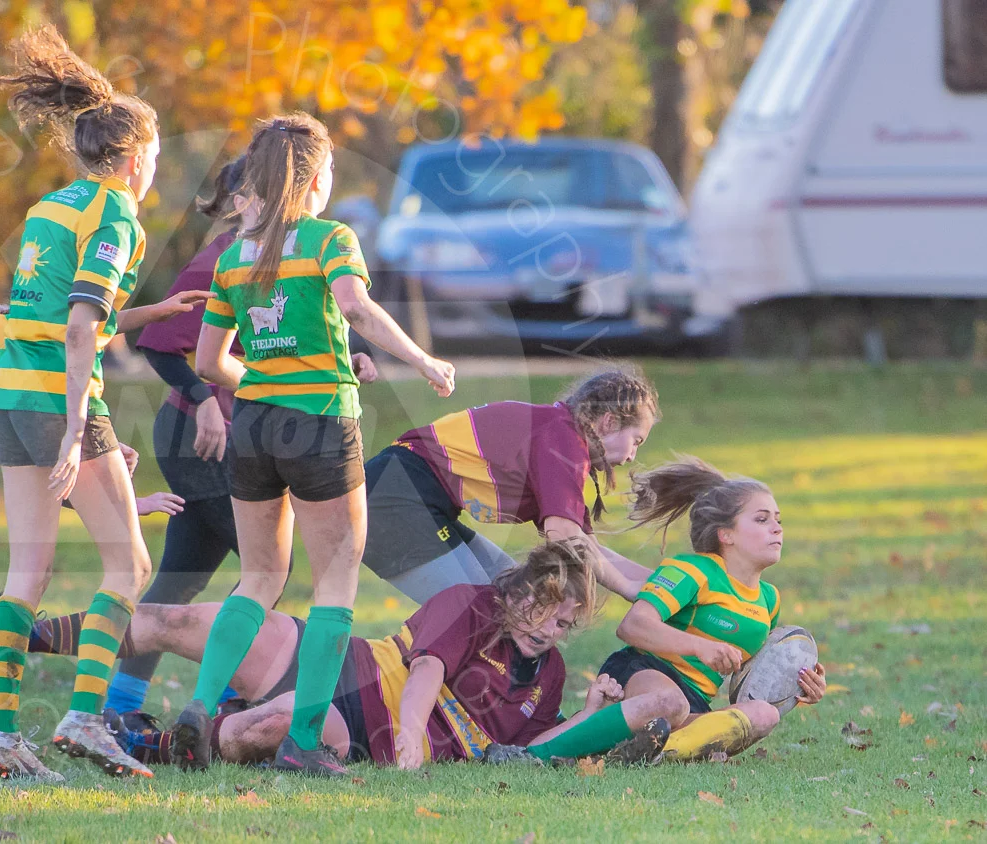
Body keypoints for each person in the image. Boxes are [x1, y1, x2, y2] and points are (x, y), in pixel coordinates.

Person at [174, 112, 455, 777]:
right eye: (330, 170)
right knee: (335, 584)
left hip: (254, 425)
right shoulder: (330, 237)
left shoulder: (234, 257)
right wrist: (422, 360)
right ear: (316, 177)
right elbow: (353, 306)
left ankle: (200, 704)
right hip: (321, 424)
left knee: (259, 578)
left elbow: (212, 363)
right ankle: (304, 743)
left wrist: (272, 378)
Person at [0, 24, 212, 781]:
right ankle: (84, 717)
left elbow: (63, 312)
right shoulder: (117, 215)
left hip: (11, 396)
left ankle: (3, 735)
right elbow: (80, 327)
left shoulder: (52, 207)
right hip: (56, 399)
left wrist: (150, 312)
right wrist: (80, 426)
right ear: (137, 156)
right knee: (129, 565)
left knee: (28, 574)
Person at [105, 155, 376, 721]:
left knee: (184, 574)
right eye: (257, 193)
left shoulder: (285, 254)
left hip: (247, 427)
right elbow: (162, 344)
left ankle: (121, 707)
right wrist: (205, 403)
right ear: (239, 201)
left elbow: (276, 346)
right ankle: (228, 700)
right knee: (264, 579)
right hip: (202, 435)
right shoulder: (224, 261)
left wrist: (338, 360)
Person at [24, 541, 667, 768]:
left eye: (564, 625)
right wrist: (414, 731)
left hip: (354, 728)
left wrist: (588, 709)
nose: (551, 632)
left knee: (276, 726)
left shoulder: (548, 674)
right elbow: (427, 669)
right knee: (186, 618)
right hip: (337, 662)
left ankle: (153, 745)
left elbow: (533, 746)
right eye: (544, 614)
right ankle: (34, 634)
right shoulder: (473, 602)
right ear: (521, 594)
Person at [511, 458, 827, 763]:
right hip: (644, 673)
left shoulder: (769, 600)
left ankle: (650, 752)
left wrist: (795, 685)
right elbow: (632, 626)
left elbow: (749, 683)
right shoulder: (691, 570)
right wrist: (700, 646)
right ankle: (530, 756)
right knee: (669, 701)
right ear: (725, 534)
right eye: (762, 519)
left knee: (763, 715)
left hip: (694, 705)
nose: (777, 528)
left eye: (778, 520)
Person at [363, 368, 661, 605]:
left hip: (416, 498)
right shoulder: (562, 439)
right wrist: (630, 591)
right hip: (395, 496)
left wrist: (662, 584)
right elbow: (565, 539)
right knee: (486, 616)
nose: (633, 455)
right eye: (636, 441)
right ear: (608, 422)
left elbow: (587, 545)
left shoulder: (561, 435)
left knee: (517, 600)